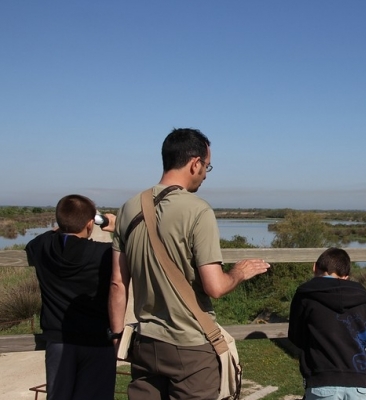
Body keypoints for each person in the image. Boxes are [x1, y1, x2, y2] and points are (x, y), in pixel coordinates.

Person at [108, 127, 271, 400]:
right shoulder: (198, 210)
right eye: (207, 166)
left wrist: (116, 338)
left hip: (146, 343)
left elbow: (117, 283)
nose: (206, 174)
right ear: (195, 163)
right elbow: (215, 287)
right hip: (191, 348)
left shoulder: (128, 208)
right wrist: (239, 273)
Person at [25, 194, 117, 400]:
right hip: (97, 342)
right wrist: (118, 229)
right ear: (91, 223)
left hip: (58, 341)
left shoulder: (42, 247)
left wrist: (64, 226)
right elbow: (133, 251)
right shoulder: (103, 254)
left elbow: (41, 239)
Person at [288, 247, 366, 400]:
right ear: (346, 276)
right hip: (359, 380)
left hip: (322, 377)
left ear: (314, 267)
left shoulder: (305, 296)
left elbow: (296, 336)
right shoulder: (364, 299)